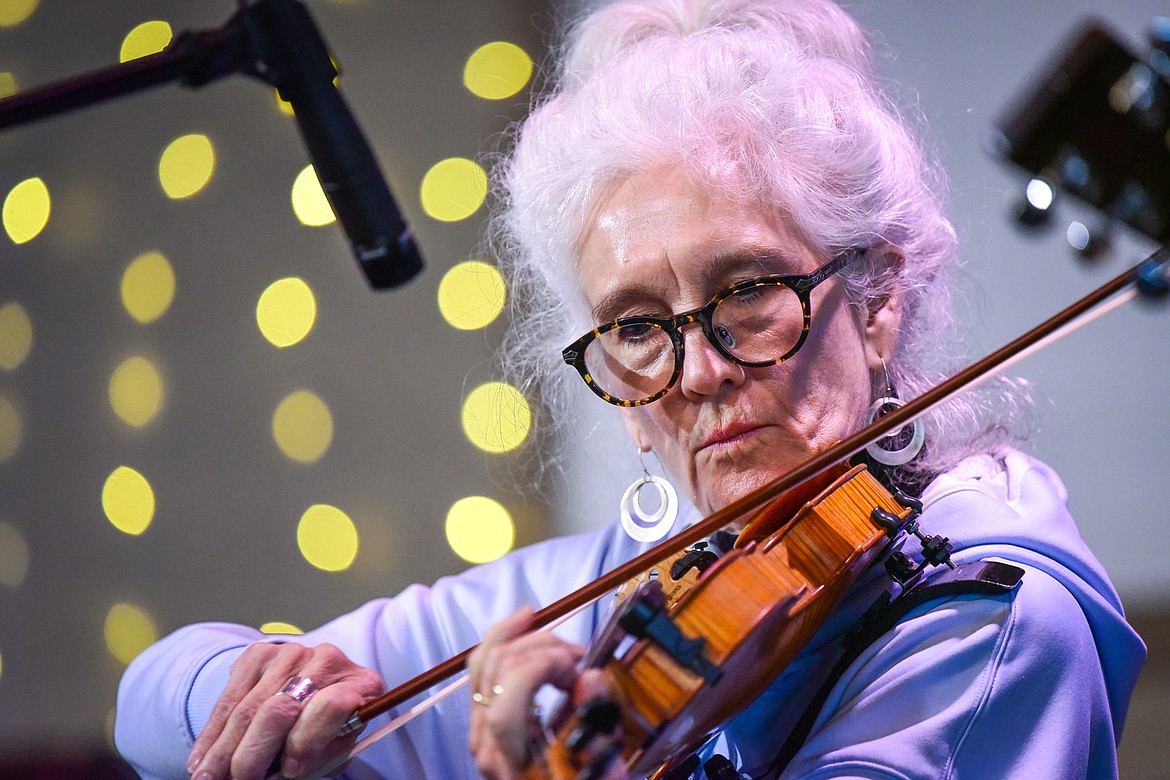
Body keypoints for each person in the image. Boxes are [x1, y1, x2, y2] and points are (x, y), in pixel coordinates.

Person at [115, 1, 1146, 778]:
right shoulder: (642, 585)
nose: (696, 373)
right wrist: (249, 692)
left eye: (746, 292)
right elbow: (149, 696)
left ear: (874, 300)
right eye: (640, 326)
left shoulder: (991, 612)